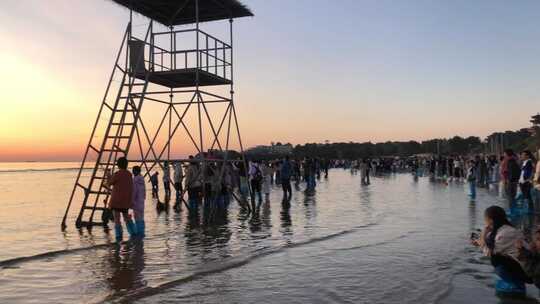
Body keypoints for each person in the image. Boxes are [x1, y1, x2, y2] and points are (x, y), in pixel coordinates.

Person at [471, 206, 531, 294]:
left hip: (530, 271)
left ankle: (518, 286)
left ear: (490, 220)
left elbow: (489, 252)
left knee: (496, 260)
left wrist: (483, 235)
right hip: (524, 265)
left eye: (485, 219)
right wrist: (480, 241)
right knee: (497, 257)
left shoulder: (505, 233)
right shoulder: (503, 228)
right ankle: (515, 282)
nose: (485, 222)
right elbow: (489, 242)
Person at [105, 157, 136, 242]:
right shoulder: (129, 174)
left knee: (117, 219)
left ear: (118, 165)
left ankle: (119, 236)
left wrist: (108, 175)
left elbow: (109, 183)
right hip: (126, 201)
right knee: (127, 217)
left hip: (116, 201)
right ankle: (133, 232)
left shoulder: (117, 174)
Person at [501, 149, 521, 214]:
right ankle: (514, 210)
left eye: (504, 153)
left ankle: (512, 211)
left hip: (509, 181)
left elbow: (508, 172)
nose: (503, 155)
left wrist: (508, 180)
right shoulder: (514, 160)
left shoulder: (509, 161)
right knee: (511, 196)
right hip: (511, 181)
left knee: (510, 196)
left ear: (507, 154)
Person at [132, 165, 146, 237]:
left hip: (136, 202)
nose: (132, 172)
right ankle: (142, 232)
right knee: (141, 218)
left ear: (136, 171)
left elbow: (134, 192)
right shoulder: (142, 179)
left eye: (133, 170)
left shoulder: (135, 180)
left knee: (137, 218)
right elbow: (144, 191)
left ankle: (139, 234)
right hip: (141, 202)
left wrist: (131, 201)